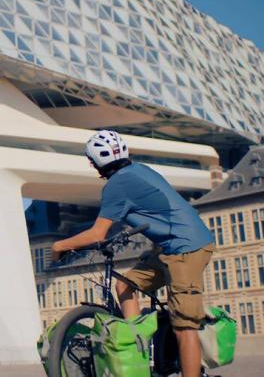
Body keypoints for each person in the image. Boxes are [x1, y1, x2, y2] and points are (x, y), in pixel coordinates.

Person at [51, 130, 214, 377]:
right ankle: (138, 354)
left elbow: (97, 234)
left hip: (187, 247)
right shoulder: (138, 170)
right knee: (124, 285)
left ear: (94, 162)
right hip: (170, 247)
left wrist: (59, 246)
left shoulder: (117, 185)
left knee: (184, 325)